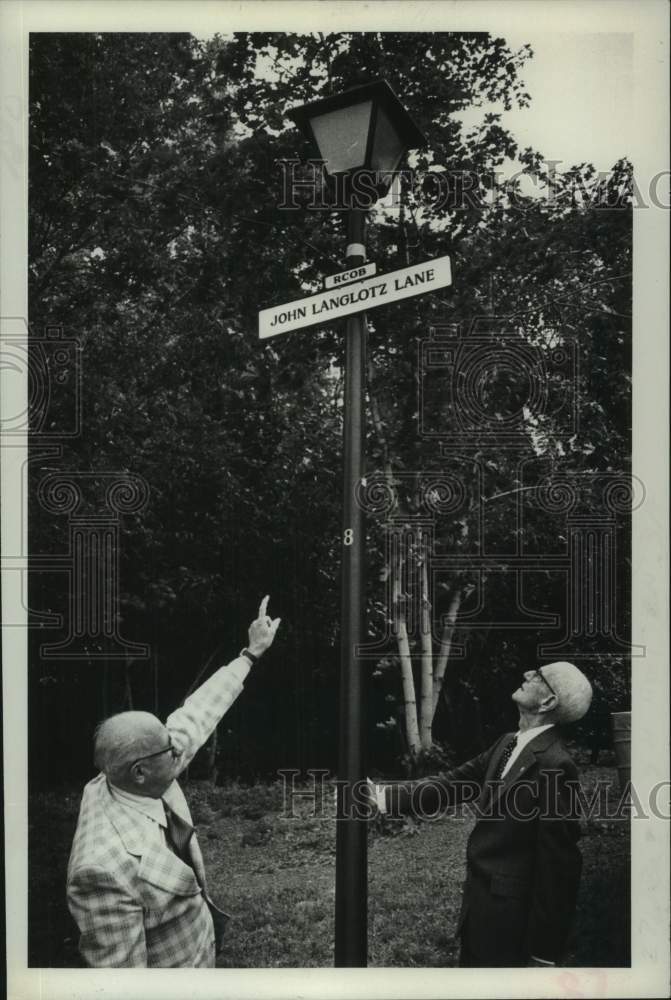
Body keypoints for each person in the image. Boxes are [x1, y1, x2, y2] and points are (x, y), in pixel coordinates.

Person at [67, 596, 281, 968]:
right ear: (140, 772)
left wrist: (250, 653)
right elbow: (122, 984)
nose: (179, 749)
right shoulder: (101, 869)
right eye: (170, 749)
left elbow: (197, 714)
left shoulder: (130, 774)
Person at [372, 660, 592, 968]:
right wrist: (382, 797)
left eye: (539, 675)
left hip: (512, 927)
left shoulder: (556, 765)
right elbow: (453, 784)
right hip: (480, 912)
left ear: (548, 702)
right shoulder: (507, 743)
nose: (527, 672)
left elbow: (559, 867)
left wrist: (544, 952)